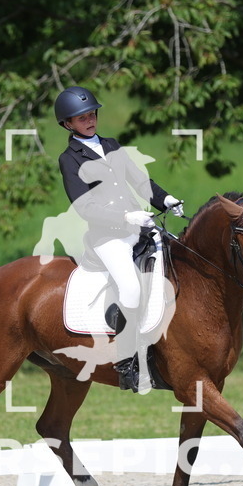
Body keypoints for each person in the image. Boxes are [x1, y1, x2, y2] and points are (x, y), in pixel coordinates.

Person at [54, 85, 183, 391]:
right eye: (81, 118)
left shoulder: (111, 145)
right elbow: (84, 206)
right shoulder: (69, 159)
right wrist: (125, 217)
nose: (89, 120)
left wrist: (165, 200)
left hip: (139, 228)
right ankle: (127, 363)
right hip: (107, 237)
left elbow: (140, 180)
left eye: (91, 114)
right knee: (130, 288)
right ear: (68, 124)